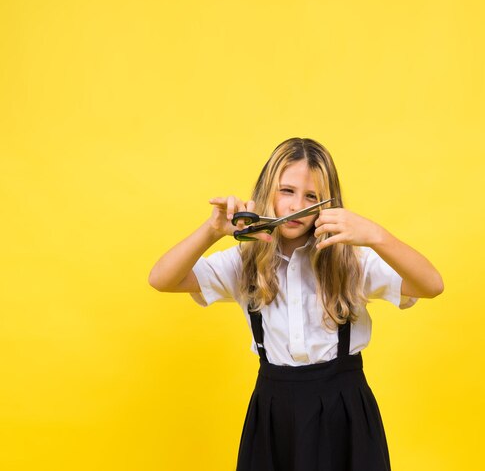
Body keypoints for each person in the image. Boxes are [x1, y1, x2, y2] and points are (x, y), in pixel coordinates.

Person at [148, 137, 444, 471]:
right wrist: (212, 231)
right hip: (274, 413)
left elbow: (431, 285)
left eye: (311, 196)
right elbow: (162, 279)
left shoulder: (352, 261)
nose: (295, 205)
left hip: (344, 411)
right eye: (286, 191)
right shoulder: (243, 263)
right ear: (267, 191)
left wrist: (376, 235)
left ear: (325, 204)